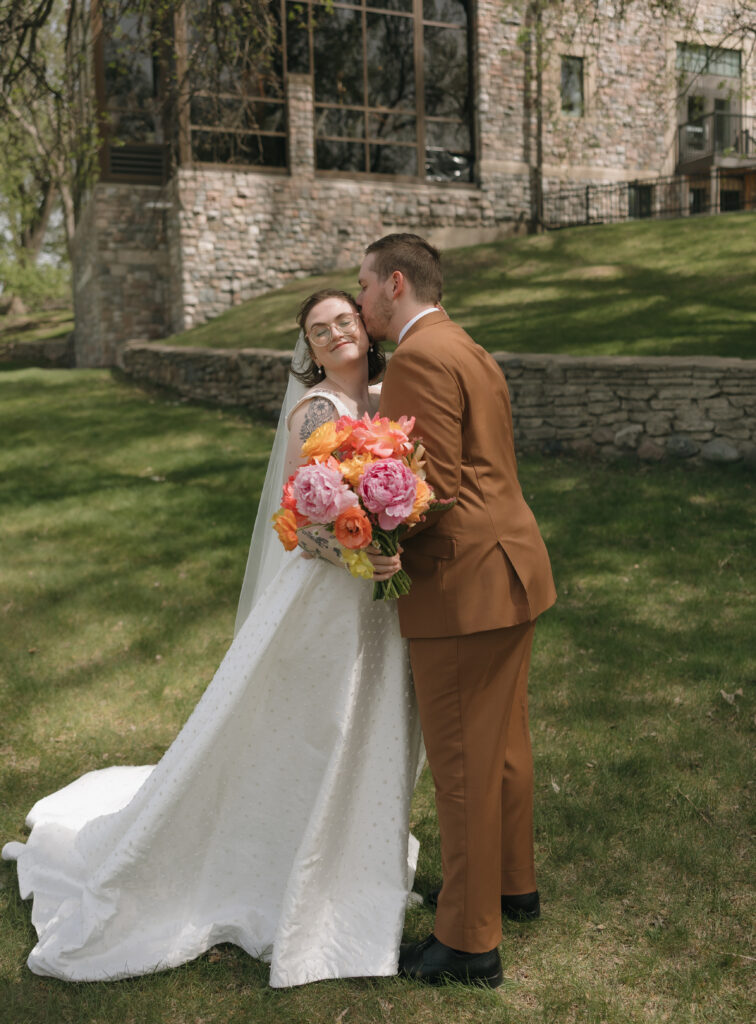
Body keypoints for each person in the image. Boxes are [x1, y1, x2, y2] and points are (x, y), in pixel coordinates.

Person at [2, 289, 423, 987]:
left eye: (344, 321)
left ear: (364, 328)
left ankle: (350, 854)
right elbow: (302, 518)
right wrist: (360, 551)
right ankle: (288, 866)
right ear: (309, 349)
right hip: (328, 597)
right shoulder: (317, 411)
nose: (334, 335)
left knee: (362, 728)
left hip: (377, 602)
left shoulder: (384, 396)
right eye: (319, 331)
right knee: (315, 727)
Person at [357, 234, 557, 988]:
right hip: (513, 568)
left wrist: (369, 530)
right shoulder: (467, 346)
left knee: (465, 766)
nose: (361, 300)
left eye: (364, 286)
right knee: (503, 746)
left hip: (464, 584)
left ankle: (470, 942)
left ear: (395, 283)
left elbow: (426, 488)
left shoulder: (417, 358)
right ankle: (511, 885)